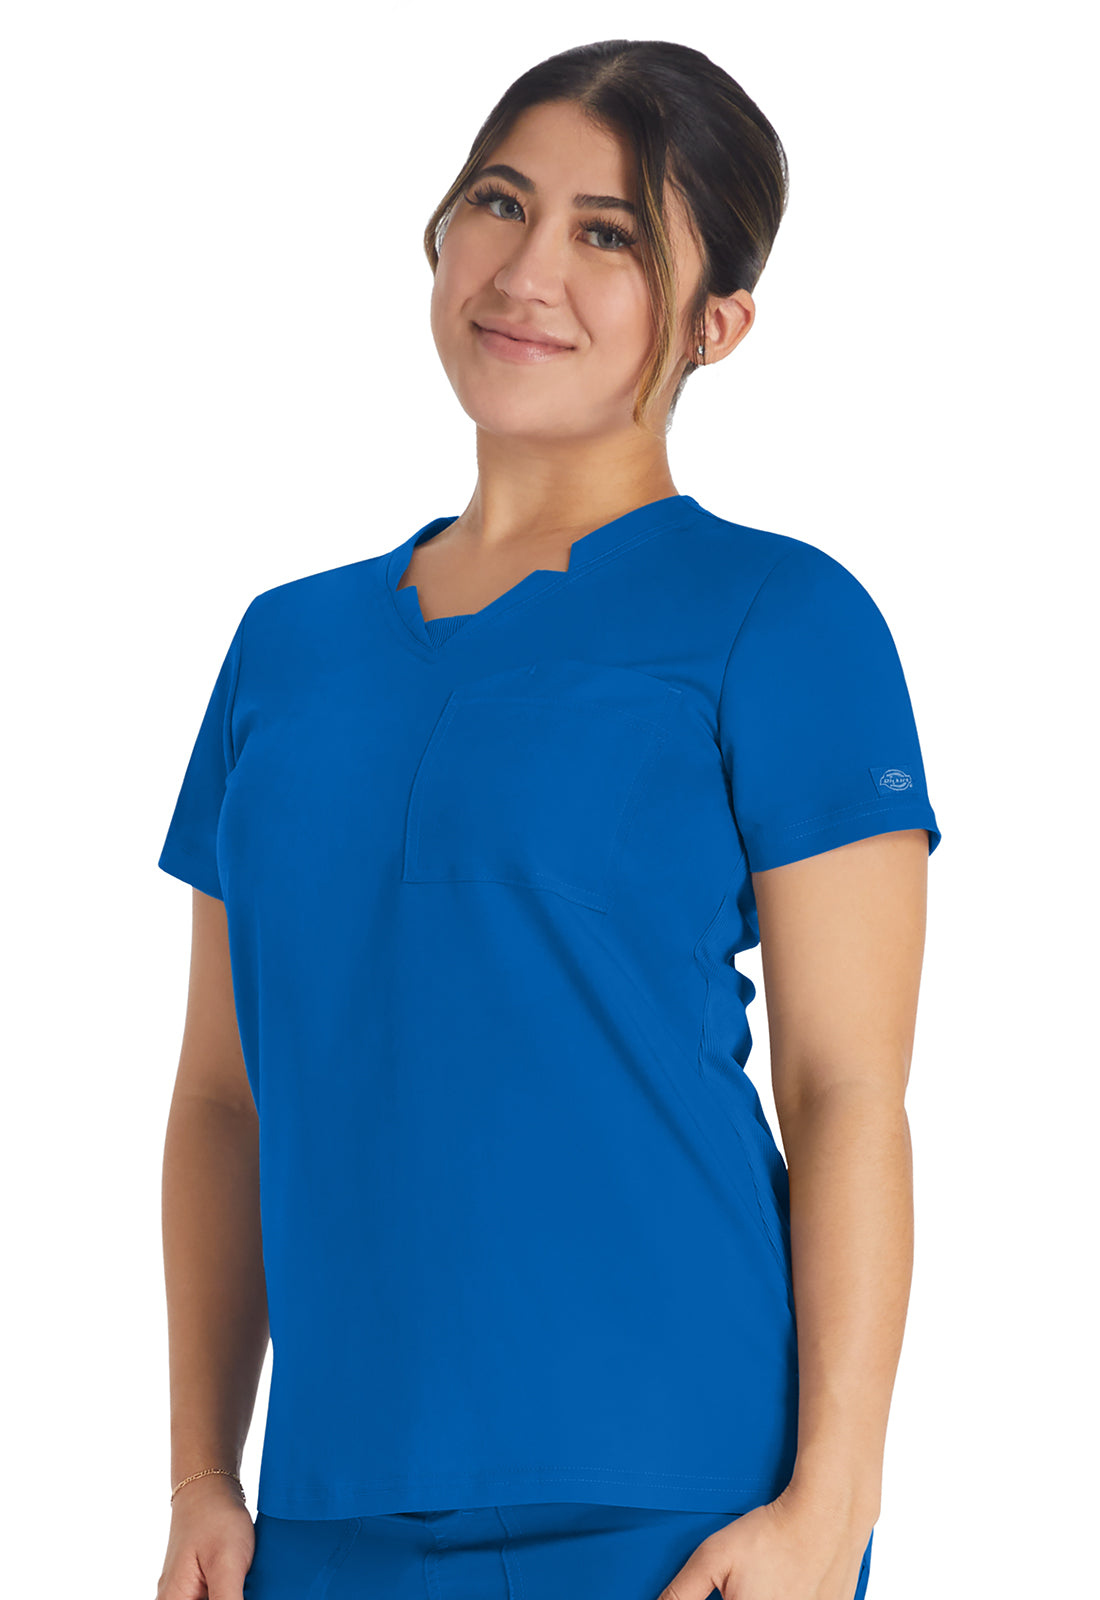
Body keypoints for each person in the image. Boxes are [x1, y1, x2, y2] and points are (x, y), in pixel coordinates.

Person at [154, 39, 942, 1600]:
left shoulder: (787, 622)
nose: (526, 272)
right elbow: (224, 1100)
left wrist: (830, 1506)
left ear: (718, 322)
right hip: (325, 1511)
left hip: (678, 1507)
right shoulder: (286, 648)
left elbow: (848, 1090)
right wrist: (199, 1474)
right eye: (501, 203)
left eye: (610, 234)